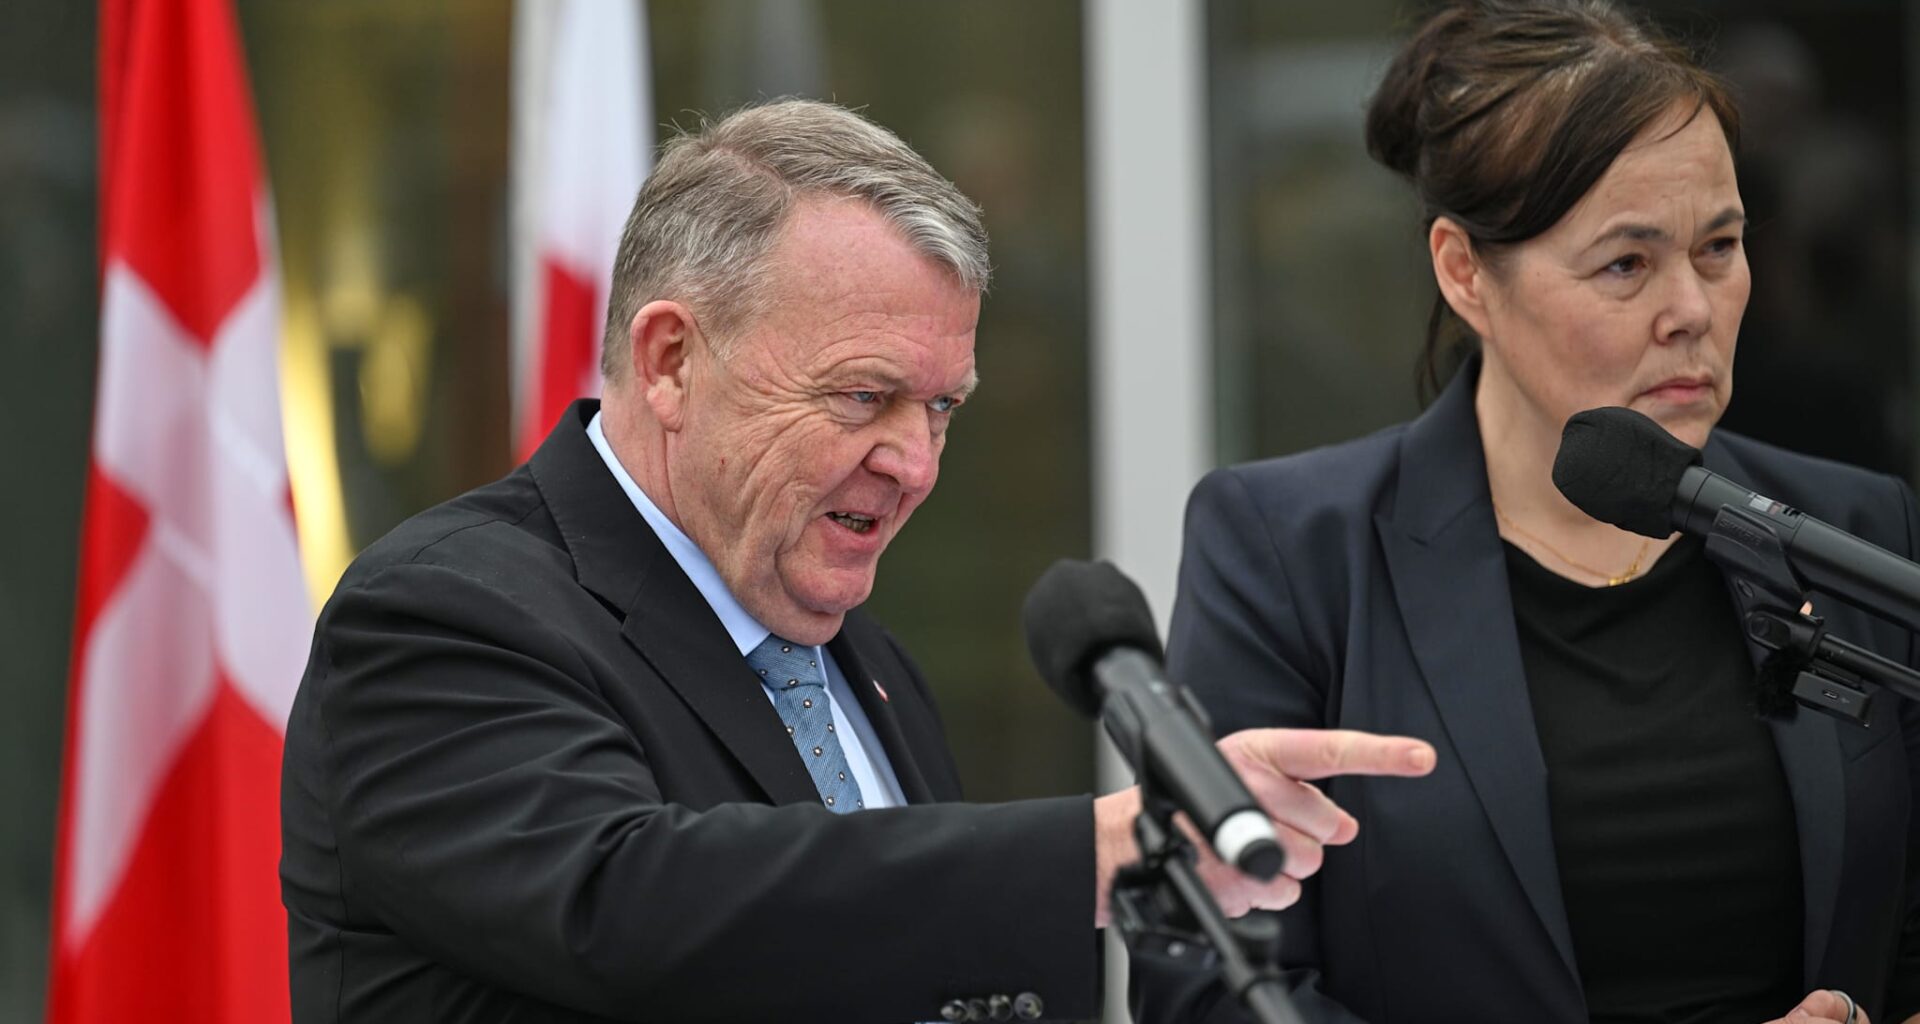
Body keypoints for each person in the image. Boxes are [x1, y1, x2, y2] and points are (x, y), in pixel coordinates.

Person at [278, 99, 1436, 1023]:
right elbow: (627, 907)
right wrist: (1095, 847)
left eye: (941, 408)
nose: (915, 462)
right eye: (864, 396)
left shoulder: (863, 666)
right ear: (672, 360)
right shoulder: (445, 612)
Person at [1139, 3, 1920, 1023]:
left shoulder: (1850, 531)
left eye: (1720, 247)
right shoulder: (1292, 551)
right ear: (1465, 271)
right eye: (1626, 264)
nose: (1691, 307)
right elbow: (1206, 989)